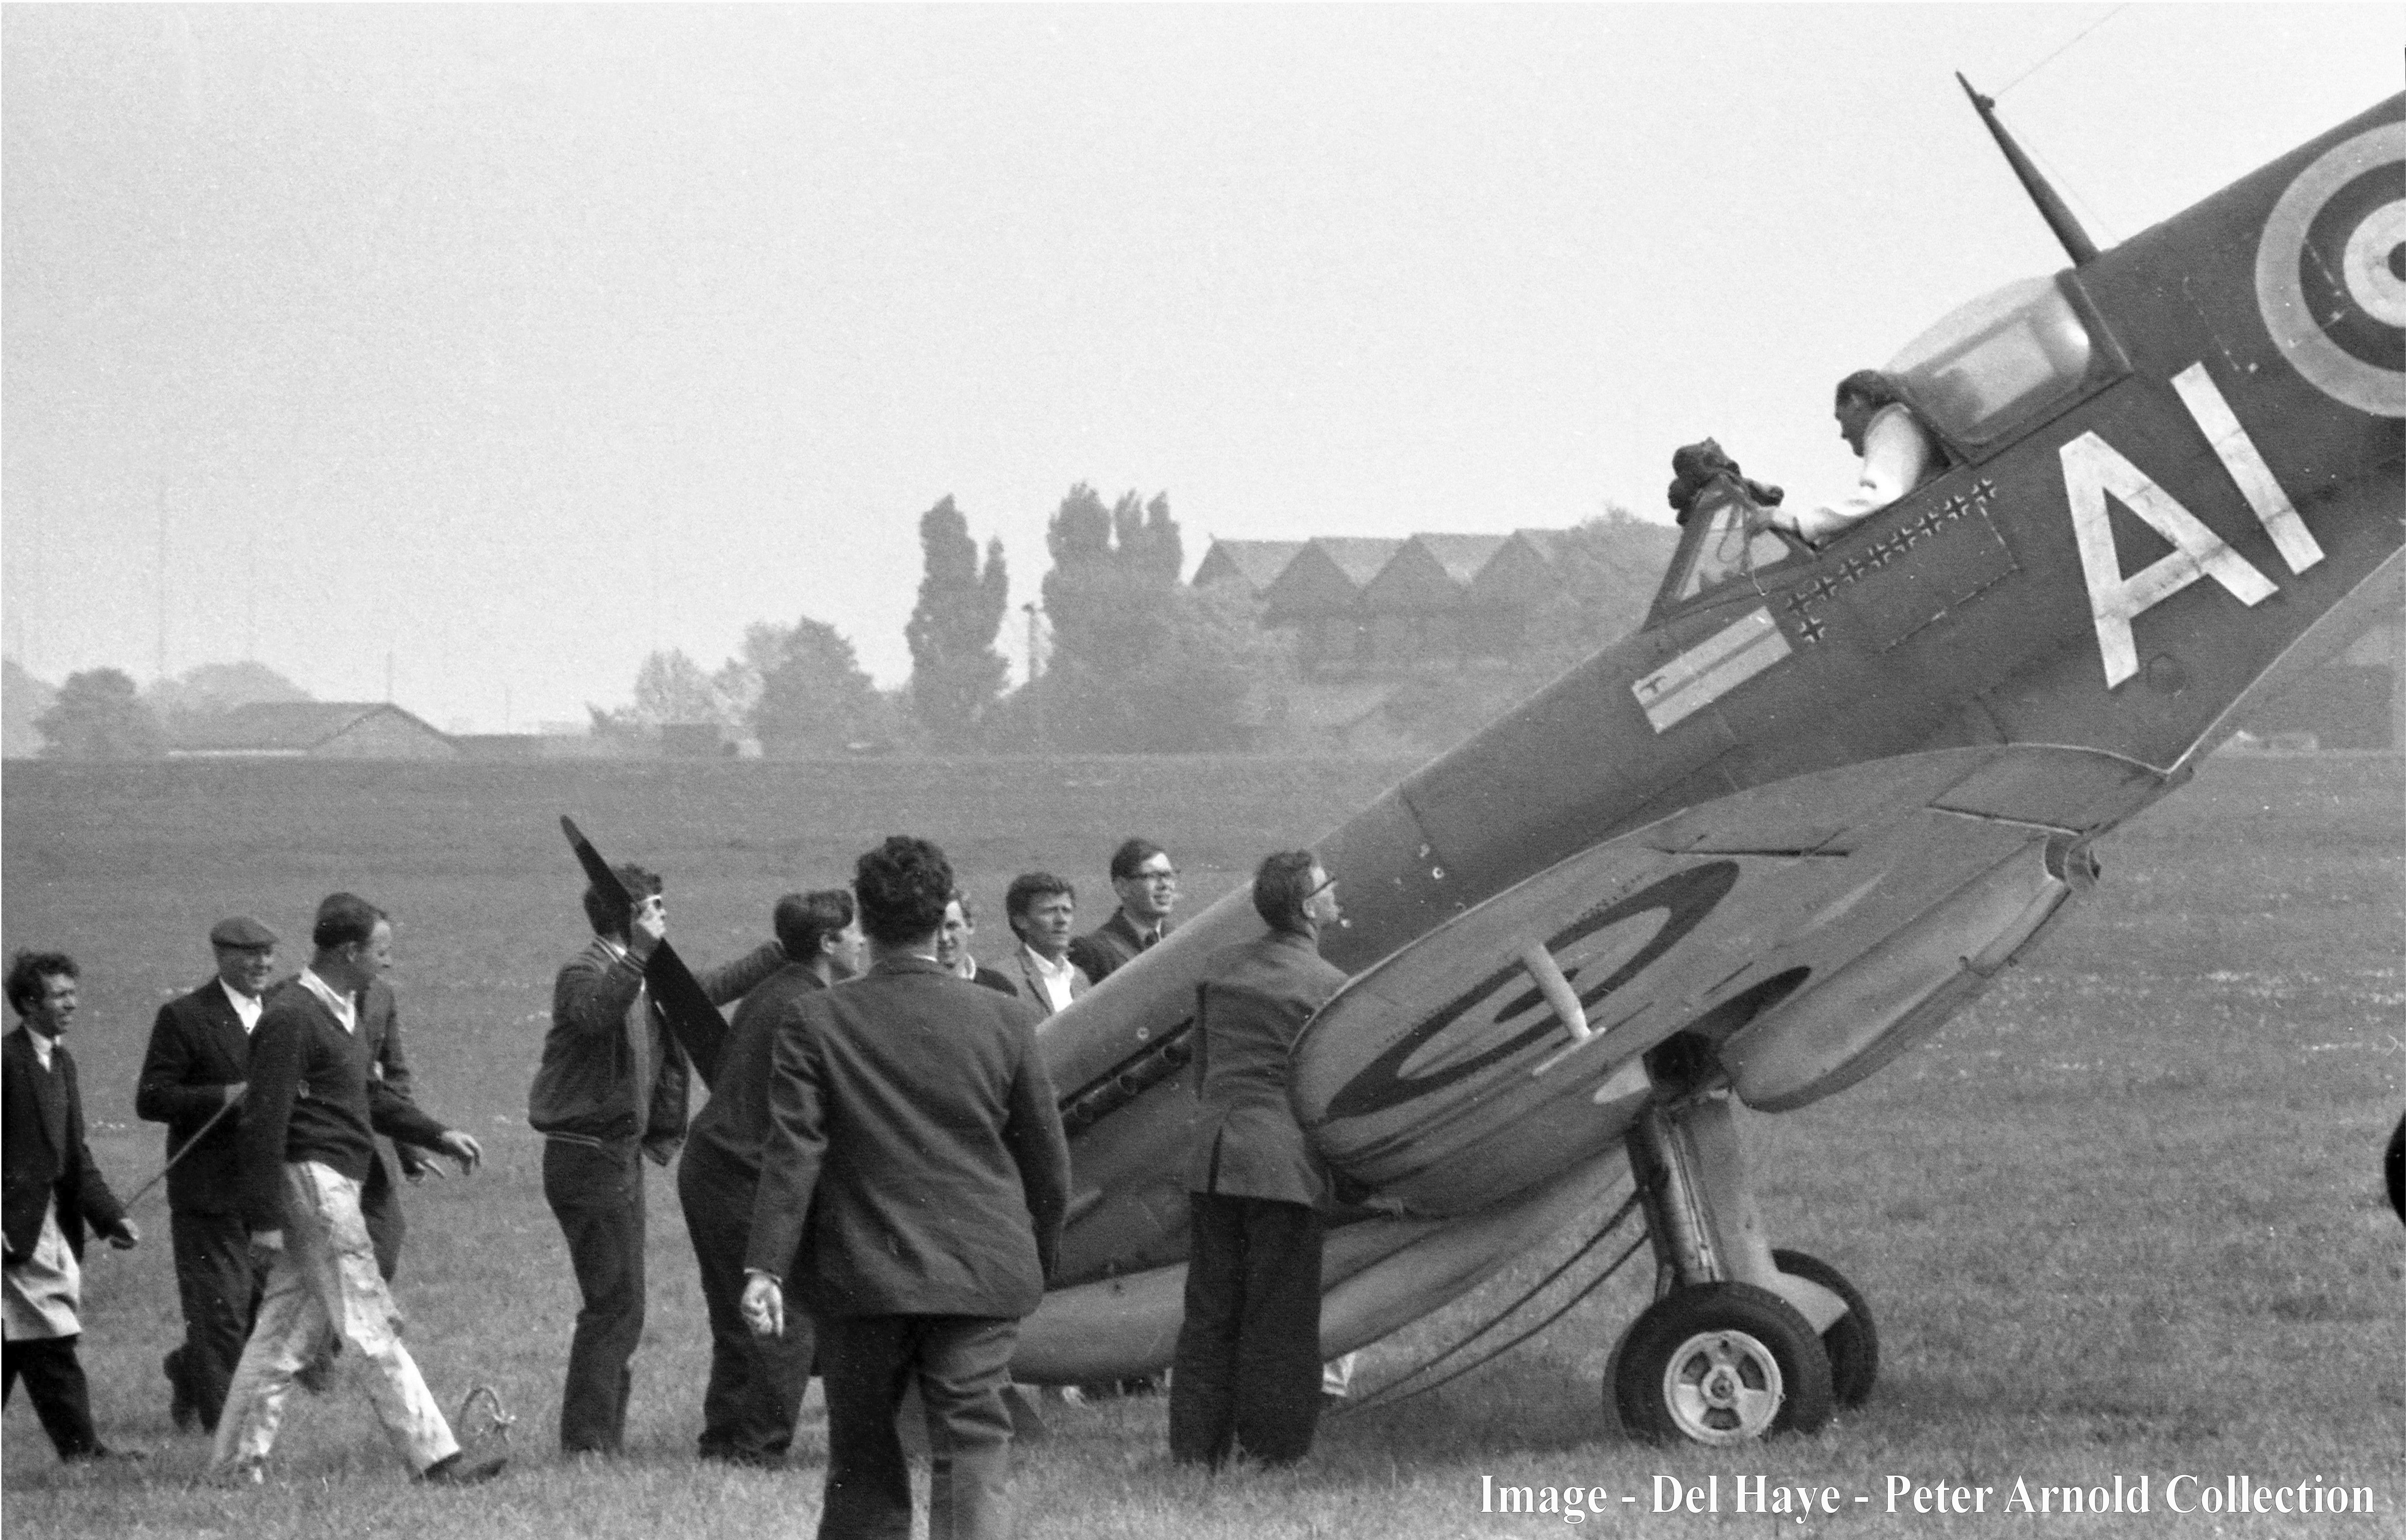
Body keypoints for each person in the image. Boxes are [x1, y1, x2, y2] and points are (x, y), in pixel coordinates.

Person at [742, 836, 1070, 1540]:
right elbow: (1047, 1161)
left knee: (862, 1458)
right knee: (977, 1446)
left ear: (864, 919)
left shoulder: (816, 1018)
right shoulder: (1005, 1017)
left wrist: (765, 1264)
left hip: (862, 1272)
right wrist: (1036, 1256)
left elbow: (792, 1151)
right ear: (940, 915)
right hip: (982, 1265)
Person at [210, 894, 499, 1485]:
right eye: (381, 951)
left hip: (334, 1180)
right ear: (348, 951)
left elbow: (366, 1096)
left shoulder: (343, 1008)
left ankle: (232, 1468)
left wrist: (437, 1134)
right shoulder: (292, 1016)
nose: (387, 964)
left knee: (280, 1336)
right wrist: (265, 1217)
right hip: (314, 1183)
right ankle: (437, 1460)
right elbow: (263, 1120)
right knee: (369, 1324)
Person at [532, 861, 785, 1457]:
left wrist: (782, 948)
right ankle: (589, 1446)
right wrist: (640, 954)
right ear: (631, 915)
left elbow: (710, 988)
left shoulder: (639, 975)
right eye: (655, 906)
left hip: (618, 1158)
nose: (665, 915)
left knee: (624, 1304)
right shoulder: (586, 970)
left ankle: (599, 1440)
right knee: (614, 1304)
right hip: (586, 1156)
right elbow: (594, 1013)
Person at [1168, 852, 1346, 1469]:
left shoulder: (1220, 973)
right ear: (1307, 908)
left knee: (1210, 1312)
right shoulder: (1327, 985)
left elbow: (1203, 1073)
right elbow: (1328, 1094)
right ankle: (1273, 1450)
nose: (1336, 892)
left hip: (1216, 1158)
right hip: (1284, 1169)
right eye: (1328, 886)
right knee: (1282, 1315)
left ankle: (1196, 1450)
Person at [677, 888, 864, 1467]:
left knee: (736, 1317)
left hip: (709, 1164)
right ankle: (758, 1451)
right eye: (853, 934)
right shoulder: (809, 1007)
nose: (862, 943)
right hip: (744, 1172)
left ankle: (724, 1440)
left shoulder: (772, 992)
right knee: (789, 1314)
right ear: (829, 944)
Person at [137, 916, 277, 1434]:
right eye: (250, 955)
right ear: (221, 957)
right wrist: (222, 1097)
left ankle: (190, 1368)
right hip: (208, 1195)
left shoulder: (283, 1013)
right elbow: (152, 1099)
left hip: (270, 1193)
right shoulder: (184, 1017)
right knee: (220, 1315)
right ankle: (230, 1440)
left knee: (269, 1311)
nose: (262, 964)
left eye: (268, 954)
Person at [4, 951, 142, 1464]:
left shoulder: (62, 1061)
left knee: (19, 1339)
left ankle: (82, 1450)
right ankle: (84, 1452)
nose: (73, 1004)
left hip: (45, 1225)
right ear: (28, 1003)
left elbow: (74, 1154)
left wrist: (111, 1218)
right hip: (14, 1229)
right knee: (50, 1333)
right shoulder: (5, 1061)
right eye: (60, 995)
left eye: (72, 993)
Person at [1758, 369, 1940, 543]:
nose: (1843, 434)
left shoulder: (1892, 424)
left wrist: (1798, 523)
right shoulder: (1902, 422)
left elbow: (1882, 496)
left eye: (1840, 418)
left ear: (1855, 402)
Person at [1067, 839, 1178, 986]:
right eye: (1153, 877)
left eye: (1168, 876)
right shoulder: (1094, 952)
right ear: (1123, 888)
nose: (1165, 885)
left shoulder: (1180, 938)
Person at [1004, 873, 1089, 1019]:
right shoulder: (1005, 979)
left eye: (1067, 911)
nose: (1062, 920)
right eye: (1049, 911)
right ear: (1021, 921)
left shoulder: (1080, 979)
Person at [940, 891, 1019, 997]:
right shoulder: (916, 989)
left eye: (952, 926)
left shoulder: (999, 988)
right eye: (935, 930)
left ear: (970, 926)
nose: (944, 937)